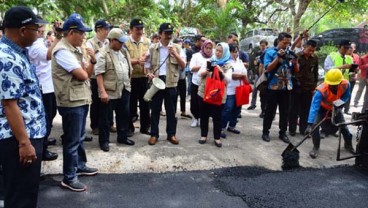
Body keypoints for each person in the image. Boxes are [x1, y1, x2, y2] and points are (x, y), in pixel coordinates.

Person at [0, 6, 48, 208]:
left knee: (24, 192)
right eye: (35, 28)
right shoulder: (7, 58)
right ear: (22, 30)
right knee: (22, 197)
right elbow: (10, 105)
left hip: (27, 134)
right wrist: (24, 143)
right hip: (19, 138)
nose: (38, 33)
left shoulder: (17, 52)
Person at [52, 13, 98, 192]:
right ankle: (69, 177)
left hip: (80, 98)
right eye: (81, 33)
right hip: (71, 101)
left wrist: (93, 60)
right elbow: (83, 74)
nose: (84, 37)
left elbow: (88, 70)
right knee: (72, 140)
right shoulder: (63, 51)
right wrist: (89, 65)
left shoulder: (76, 49)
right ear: (71, 33)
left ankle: (80, 165)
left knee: (79, 137)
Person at [145, 23, 186, 145]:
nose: (168, 36)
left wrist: (175, 54)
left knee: (171, 111)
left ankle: (171, 134)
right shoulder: (152, 48)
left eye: (170, 33)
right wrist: (149, 73)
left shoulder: (177, 48)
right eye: (166, 33)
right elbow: (147, 66)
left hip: (171, 83)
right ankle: (154, 134)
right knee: (155, 110)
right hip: (157, 82)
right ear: (160, 34)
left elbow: (183, 66)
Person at [95, 28, 134, 152]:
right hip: (109, 91)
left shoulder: (123, 51)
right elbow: (99, 74)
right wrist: (102, 92)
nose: (122, 44)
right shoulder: (102, 53)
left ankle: (122, 137)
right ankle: (104, 141)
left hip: (124, 89)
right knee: (106, 118)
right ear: (112, 40)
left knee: (123, 115)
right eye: (120, 41)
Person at [28, 16, 59, 161]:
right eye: (39, 27)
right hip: (42, 87)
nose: (42, 29)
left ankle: (45, 140)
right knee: (46, 117)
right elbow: (48, 55)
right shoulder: (34, 45)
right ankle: (43, 147)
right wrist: (58, 37)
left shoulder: (39, 42)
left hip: (48, 85)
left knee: (51, 114)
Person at [305, 69, 355, 158]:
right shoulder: (320, 91)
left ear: (340, 82)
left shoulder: (346, 84)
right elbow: (314, 107)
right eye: (331, 85)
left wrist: (339, 104)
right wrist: (310, 124)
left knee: (343, 127)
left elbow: (346, 96)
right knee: (315, 127)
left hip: (336, 107)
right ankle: (316, 147)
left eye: (335, 85)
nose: (333, 86)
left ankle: (348, 145)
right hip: (322, 108)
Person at [261, 32, 299, 143]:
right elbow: (268, 68)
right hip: (272, 87)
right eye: (284, 42)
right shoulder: (270, 52)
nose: (286, 45)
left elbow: (296, 70)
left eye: (288, 43)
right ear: (279, 41)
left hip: (286, 87)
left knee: (285, 112)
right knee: (270, 111)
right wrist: (278, 57)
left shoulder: (289, 53)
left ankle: (283, 133)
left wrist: (295, 62)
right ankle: (265, 132)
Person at [197, 42, 232, 147]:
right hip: (204, 93)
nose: (218, 53)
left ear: (225, 52)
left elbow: (228, 80)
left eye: (220, 51)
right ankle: (204, 136)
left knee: (217, 117)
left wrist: (220, 71)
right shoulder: (209, 61)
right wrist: (207, 70)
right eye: (216, 50)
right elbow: (199, 73)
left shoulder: (228, 64)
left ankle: (217, 138)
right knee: (204, 115)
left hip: (218, 95)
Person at [86, 19, 113, 136]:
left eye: (108, 29)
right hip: (94, 76)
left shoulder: (108, 42)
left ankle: (109, 123)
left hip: (107, 75)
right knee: (96, 101)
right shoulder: (90, 43)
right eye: (105, 29)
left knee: (108, 101)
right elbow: (91, 57)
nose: (107, 31)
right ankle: (95, 125)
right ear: (98, 30)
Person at [125, 18, 151, 135]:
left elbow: (150, 58)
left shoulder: (147, 42)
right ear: (131, 30)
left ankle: (145, 127)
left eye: (141, 29)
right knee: (130, 104)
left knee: (145, 103)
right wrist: (136, 61)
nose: (139, 31)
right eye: (137, 29)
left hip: (144, 77)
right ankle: (129, 127)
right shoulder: (125, 42)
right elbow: (123, 60)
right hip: (130, 78)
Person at [288, 39, 319, 136]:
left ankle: (303, 129)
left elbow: (315, 73)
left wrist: (314, 87)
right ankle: (292, 129)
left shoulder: (315, 58)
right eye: (309, 50)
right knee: (294, 109)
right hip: (297, 87)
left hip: (308, 88)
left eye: (313, 51)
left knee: (305, 110)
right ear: (304, 47)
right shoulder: (297, 57)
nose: (311, 52)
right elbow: (291, 71)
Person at [221, 43, 247, 138]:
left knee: (237, 109)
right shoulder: (227, 62)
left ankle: (232, 126)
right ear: (229, 52)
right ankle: (221, 128)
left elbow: (244, 72)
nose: (235, 54)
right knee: (227, 109)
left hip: (239, 89)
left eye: (236, 51)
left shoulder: (239, 61)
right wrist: (241, 75)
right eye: (233, 52)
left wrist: (240, 76)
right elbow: (232, 76)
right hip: (229, 89)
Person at [189, 40, 214, 127]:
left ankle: (201, 118)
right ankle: (195, 118)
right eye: (207, 48)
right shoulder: (196, 56)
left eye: (210, 48)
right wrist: (204, 66)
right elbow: (191, 68)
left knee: (204, 103)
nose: (208, 50)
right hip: (196, 82)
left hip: (207, 84)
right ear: (203, 47)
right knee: (194, 102)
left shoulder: (213, 57)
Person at [248, 39, 268, 110]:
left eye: (264, 46)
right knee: (255, 89)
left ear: (266, 46)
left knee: (264, 91)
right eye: (261, 46)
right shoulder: (257, 53)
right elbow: (254, 63)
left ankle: (265, 108)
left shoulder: (267, 53)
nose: (262, 47)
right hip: (257, 74)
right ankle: (253, 104)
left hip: (265, 74)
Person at [173, 38, 191, 118]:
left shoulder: (183, 51)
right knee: (174, 95)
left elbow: (185, 63)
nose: (180, 45)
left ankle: (183, 111)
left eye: (181, 44)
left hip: (182, 76)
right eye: (179, 44)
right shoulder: (171, 52)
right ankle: (172, 111)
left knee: (183, 94)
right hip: (174, 77)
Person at [343, 43, 360, 114]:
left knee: (349, 94)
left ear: (354, 49)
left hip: (352, 79)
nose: (350, 49)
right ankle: (339, 109)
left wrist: (356, 71)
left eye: (351, 48)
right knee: (341, 94)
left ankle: (346, 109)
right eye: (349, 48)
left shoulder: (356, 56)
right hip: (343, 79)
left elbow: (358, 66)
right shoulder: (343, 56)